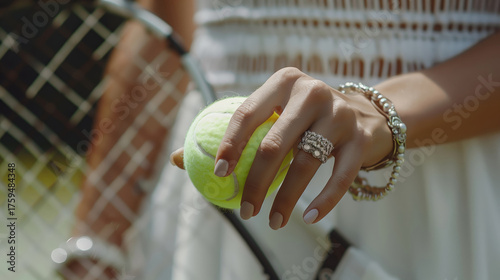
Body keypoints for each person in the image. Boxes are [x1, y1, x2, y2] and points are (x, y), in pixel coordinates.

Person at [63, 0, 500, 279]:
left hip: (431, 183)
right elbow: (164, 21)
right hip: (208, 205)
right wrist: (96, 241)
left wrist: (381, 112)